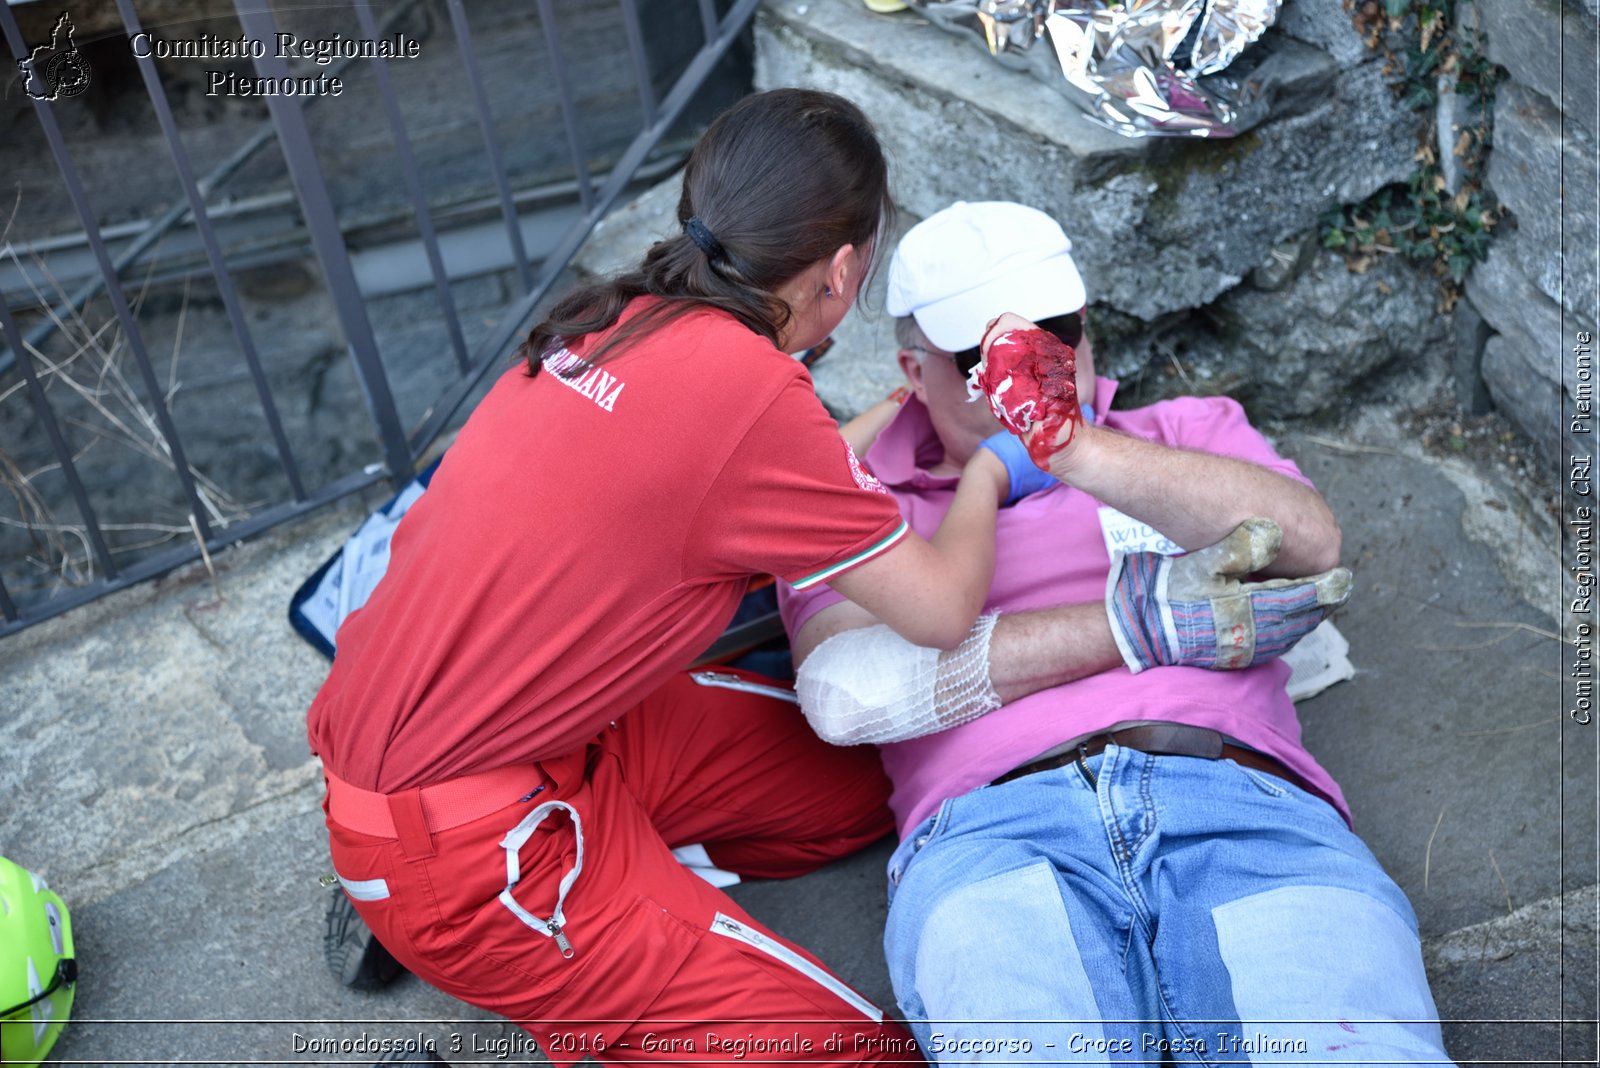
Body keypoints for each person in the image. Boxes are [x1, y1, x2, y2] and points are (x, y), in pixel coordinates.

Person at [306, 92, 1039, 1066]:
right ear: (845, 268)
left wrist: (896, 410)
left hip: (524, 736)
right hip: (480, 847)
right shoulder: (753, 402)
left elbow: (746, 474)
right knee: (864, 1057)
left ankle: (611, 940)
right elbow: (944, 610)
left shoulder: (618, 317)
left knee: (865, 784)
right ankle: (530, 949)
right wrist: (989, 471)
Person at [779, 201, 1456, 1063]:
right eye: (979, 358)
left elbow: (1311, 543)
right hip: (994, 833)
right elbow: (846, 689)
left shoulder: (1181, 433)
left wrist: (1073, 450)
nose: (1026, 368)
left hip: (1240, 804)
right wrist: (1136, 621)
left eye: (1053, 331)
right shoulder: (851, 498)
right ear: (913, 371)